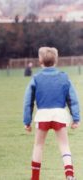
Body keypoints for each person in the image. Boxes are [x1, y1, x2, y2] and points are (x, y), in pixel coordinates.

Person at [23, 47, 80, 180]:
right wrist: (76, 118)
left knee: (38, 146)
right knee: (64, 145)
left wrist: (27, 121)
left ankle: (35, 177)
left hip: (42, 115)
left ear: (40, 60)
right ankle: (69, 175)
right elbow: (73, 98)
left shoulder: (36, 78)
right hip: (60, 114)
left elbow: (28, 101)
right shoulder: (64, 76)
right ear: (56, 60)